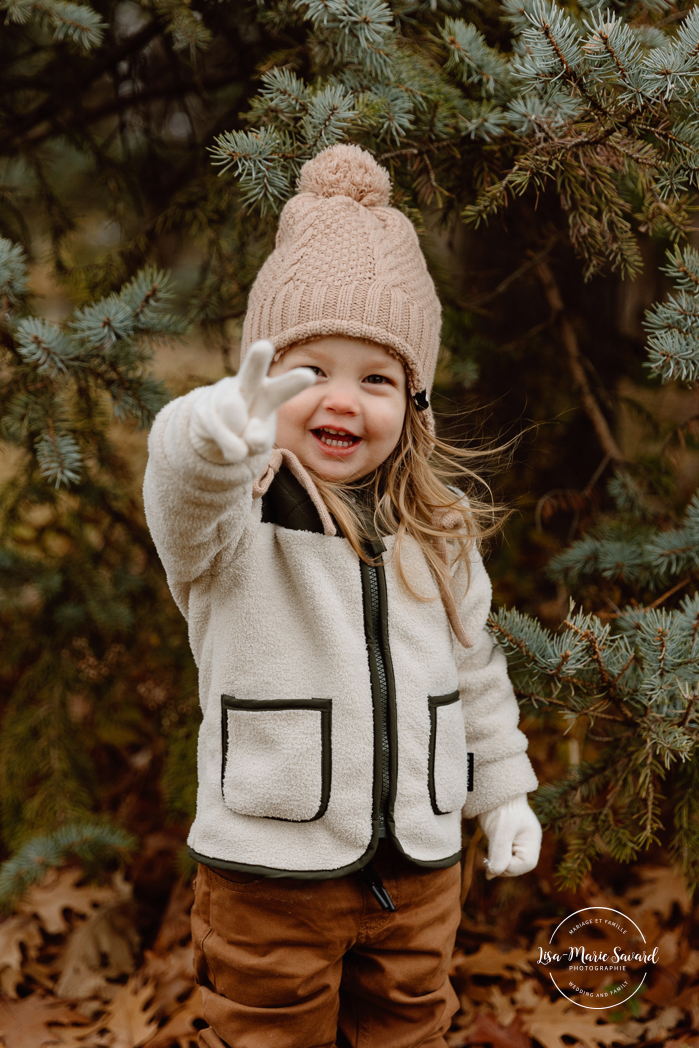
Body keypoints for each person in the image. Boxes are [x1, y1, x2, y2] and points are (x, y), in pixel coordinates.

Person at [143, 143, 542, 1048]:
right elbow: (181, 493)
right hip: (270, 880)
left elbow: (474, 676)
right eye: (307, 370)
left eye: (376, 378)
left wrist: (504, 793)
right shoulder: (236, 521)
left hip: (420, 875)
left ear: (415, 401)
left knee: (407, 1031)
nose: (340, 399)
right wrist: (209, 435)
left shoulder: (437, 531)